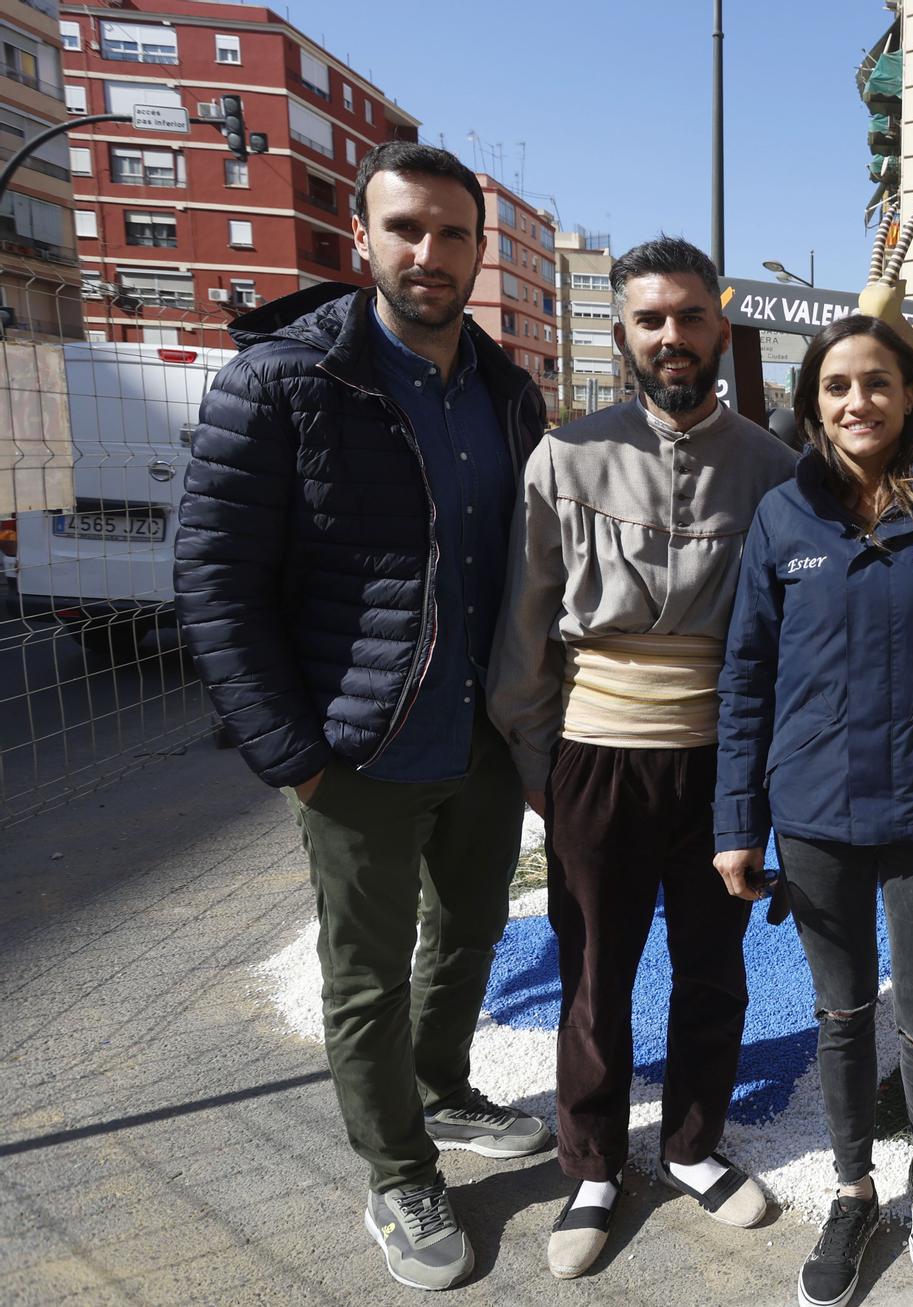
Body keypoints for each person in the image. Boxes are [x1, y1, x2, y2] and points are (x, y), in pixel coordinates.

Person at [174, 142, 552, 1292]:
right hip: (360, 748)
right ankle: (396, 1169)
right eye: (406, 230)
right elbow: (214, 581)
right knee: (366, 973)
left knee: (473, 931)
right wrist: (293, 754)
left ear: (478, 251)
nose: (427, 254)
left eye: (450, 233)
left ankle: (441, 1085)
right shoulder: (285, 380)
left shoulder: (504, 388)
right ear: (365, 238)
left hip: (482, 739)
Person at [486, 237, 796, 1279]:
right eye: (650, 318)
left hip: (721, 760)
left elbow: (792, 632)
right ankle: (592, 1165)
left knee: (714, 967)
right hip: (595, 755)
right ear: (620, 332)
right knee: (592, 973)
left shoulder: (772, 467)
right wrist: (540, 757)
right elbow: (523, 625)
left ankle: (694, 1144)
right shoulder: (564, 457)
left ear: (720, 325)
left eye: (690, 315)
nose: (672, 335)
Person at [713, 315, 913, 1307]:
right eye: (838, 385)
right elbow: (744, 674)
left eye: (878, 383)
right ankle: (853, 1187)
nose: (859, 401)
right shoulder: (779, 518)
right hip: (812, 815)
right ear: (813, 400)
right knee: (843, 1012)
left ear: (910, 396)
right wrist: (736, 819)